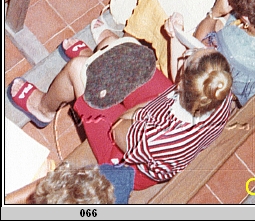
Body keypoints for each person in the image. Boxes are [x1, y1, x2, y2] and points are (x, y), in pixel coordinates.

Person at [9, 17, 233, 191]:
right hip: (163, 107)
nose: (185, 54)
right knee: (120, 51)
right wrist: (175, 37)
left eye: (188, 57)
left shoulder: (159, 141)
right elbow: (178, 81)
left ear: (185, 84)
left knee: (78, 69)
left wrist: (136, 109)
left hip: (128, 157)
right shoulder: (217, 88)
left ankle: (43, 109)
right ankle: (95, 60)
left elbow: (118, 131)